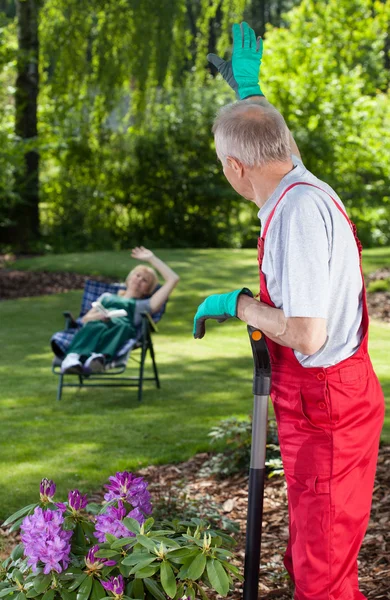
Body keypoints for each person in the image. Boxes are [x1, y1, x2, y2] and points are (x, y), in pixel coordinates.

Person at [193, 22, 385, 600]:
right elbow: (274, 139)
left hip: (324, 400)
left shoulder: (297, 214)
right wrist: (249, 94)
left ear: (235, 168)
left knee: (321, 572)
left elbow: (305, 332)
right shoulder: (295, 180)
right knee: (314, 553)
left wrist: (240, 305)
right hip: (328, 399)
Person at [61, 247, 179, 374]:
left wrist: (151, 258)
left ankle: (97, 360)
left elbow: (173, 279)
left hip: (120, 329)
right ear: (129, 279)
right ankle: (72, 359)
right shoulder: (106, 297)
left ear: (147, 290)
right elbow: (85, 319)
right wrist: (98, 316)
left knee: (124, 327)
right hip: (97, 324)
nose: (139, 280)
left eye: (145, 280)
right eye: (137, 275)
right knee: (95, 325)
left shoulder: (143, 305)